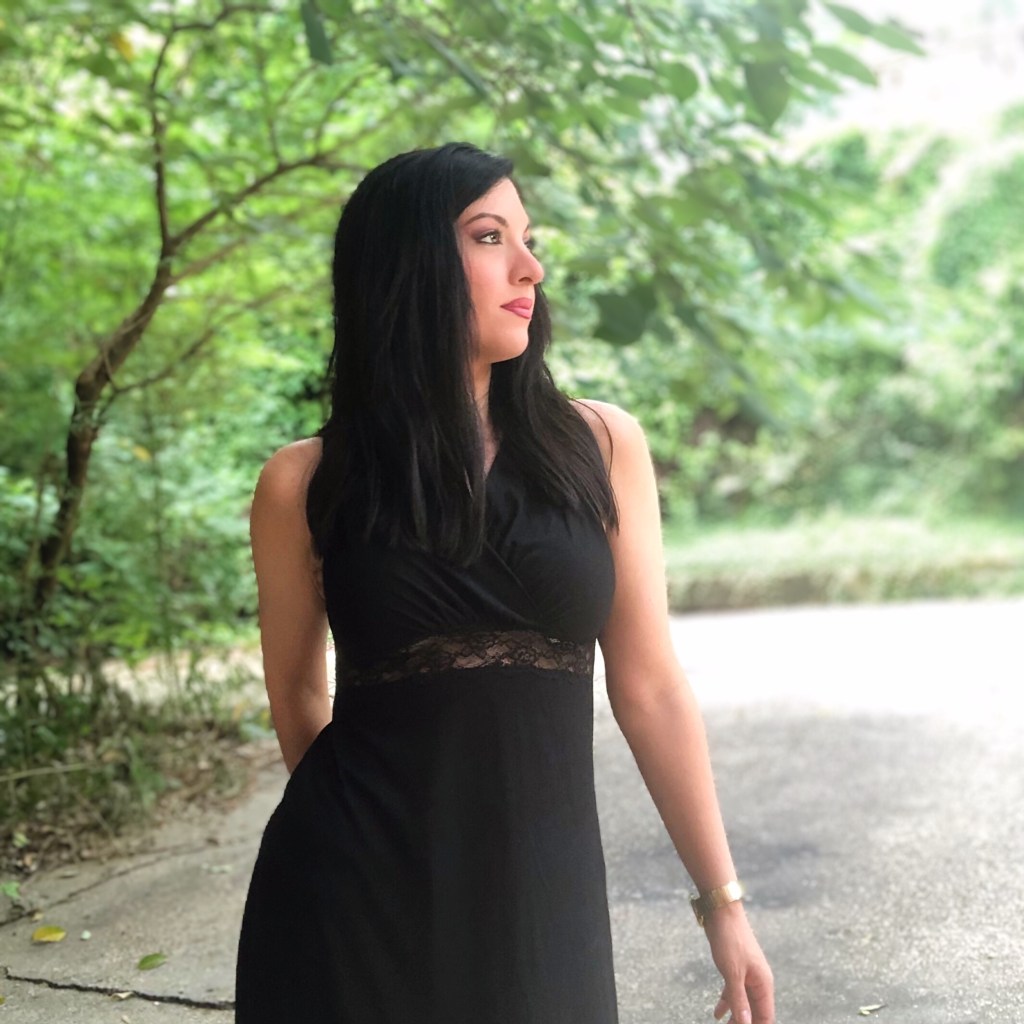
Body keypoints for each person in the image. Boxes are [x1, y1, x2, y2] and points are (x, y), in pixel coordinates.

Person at [234, 141, 774, 1024]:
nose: (531, 267)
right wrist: (363, 846)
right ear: (407, 263)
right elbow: (296, 692)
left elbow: (650, 687)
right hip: (351, 904)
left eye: (528, 238)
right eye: (491, 237)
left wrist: (725, 902)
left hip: (542, 900)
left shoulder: (598, 445)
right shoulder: (303, 482)